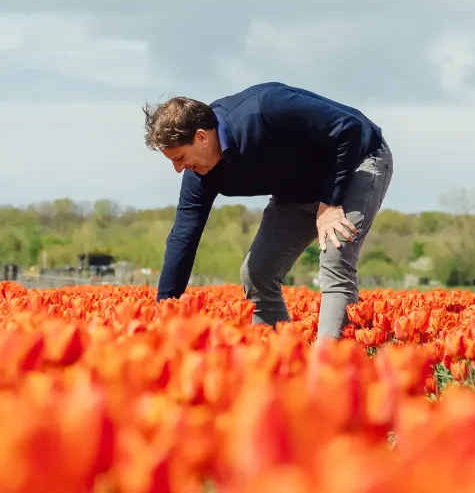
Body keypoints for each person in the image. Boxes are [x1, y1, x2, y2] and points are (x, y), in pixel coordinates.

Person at [142, 82, 393, 341]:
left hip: (355, 161)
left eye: (179, 158)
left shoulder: (266, 107)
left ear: (201, 138)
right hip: (298, 187)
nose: (178, 169)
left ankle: (329, 368)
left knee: (335, 256)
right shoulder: (200, 174)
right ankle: (280, 361)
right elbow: (183, 236)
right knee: (257, 273)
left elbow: (348, 129)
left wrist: (329, 204)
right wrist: (166, 313)